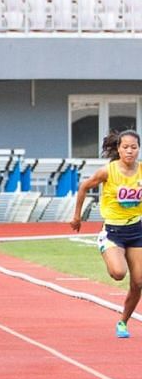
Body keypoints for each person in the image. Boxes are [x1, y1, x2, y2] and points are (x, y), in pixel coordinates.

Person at [70, 129, 142, 338]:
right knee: (118, 273)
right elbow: (84, 187)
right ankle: (103, 243)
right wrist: (77, 217)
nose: (129, 151)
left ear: (138, 150)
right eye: (125, 147)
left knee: (138, 282)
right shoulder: (108, 171)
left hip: (137, 230)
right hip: (112, 232)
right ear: (118, 149)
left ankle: (123, 322)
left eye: (134, 147)